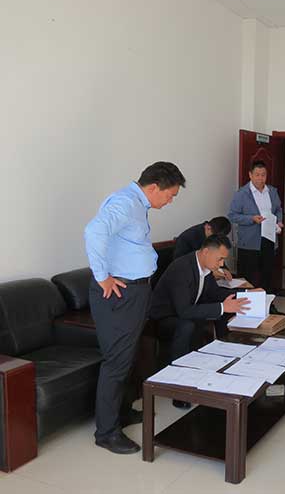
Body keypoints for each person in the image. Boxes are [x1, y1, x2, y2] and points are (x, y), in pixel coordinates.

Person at [84, 161, 185, 454]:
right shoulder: (126, 202)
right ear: (154, 187)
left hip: (135, 291)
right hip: (121, 293)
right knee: (116, 362)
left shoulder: (137, 204)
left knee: (128, 357)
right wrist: (102, 276)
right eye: (170, 195)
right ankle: (106, 433)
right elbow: (94, 231)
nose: (170, 201)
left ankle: (122, 412)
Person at [149, 234, 251, 408]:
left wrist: (246, 294)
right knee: (188, 325)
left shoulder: (205, 267)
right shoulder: (182, 268)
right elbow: (184, 311)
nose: (221, 264)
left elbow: (214, 293)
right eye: (220, 259)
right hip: (163, 318)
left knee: (220, 314)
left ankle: (220, 367)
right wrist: (222, 307)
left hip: (184, 312)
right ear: (206, 252)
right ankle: (178, 390)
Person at [228, 160, 284, 314]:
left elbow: (278, 209)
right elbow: (232, 215)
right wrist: (251, 219)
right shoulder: (242, 193)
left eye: (263, 175)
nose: (260, 178)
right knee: (249, 278)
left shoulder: (272, 191)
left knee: (267, 276)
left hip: (269, 239)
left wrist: (279, 221)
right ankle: (249, 309)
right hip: (249, 243)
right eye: (257, 175)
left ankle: (268, 307)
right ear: (250, 175)